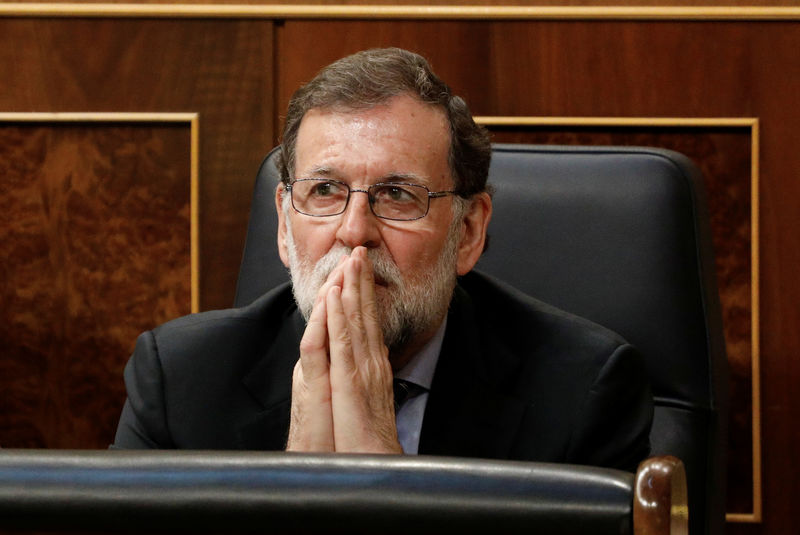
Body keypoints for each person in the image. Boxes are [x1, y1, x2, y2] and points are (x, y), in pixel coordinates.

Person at [113, 47, 652, 471]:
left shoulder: (584, 392)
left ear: (467, 232)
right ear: (283, 223)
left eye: (397, 195)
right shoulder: (180, 381)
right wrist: (290, 492)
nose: (354, 232)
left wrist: (382, 480)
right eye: (324, 190)